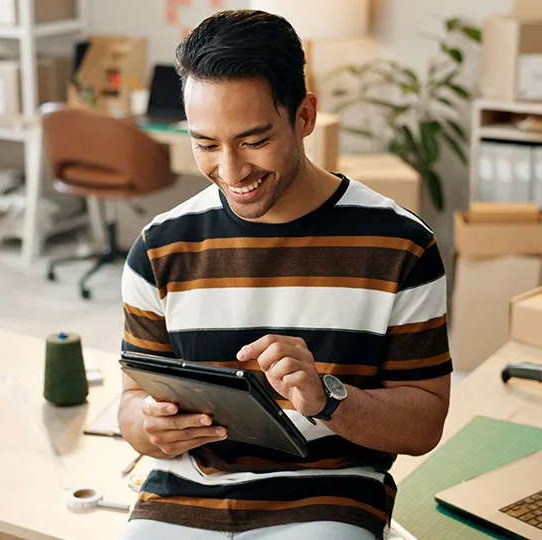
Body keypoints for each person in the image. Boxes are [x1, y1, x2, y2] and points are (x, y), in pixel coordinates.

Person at [118, 9, 451, 540]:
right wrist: (148, 426)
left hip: (330, 493)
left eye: (252, 141)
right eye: (205, 144)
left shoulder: (400, 245)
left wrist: (327, 397)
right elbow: (132, 400)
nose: (230, 171)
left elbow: (425, 421)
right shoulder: (160, 247)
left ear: (304, 116)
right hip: (185, 489)